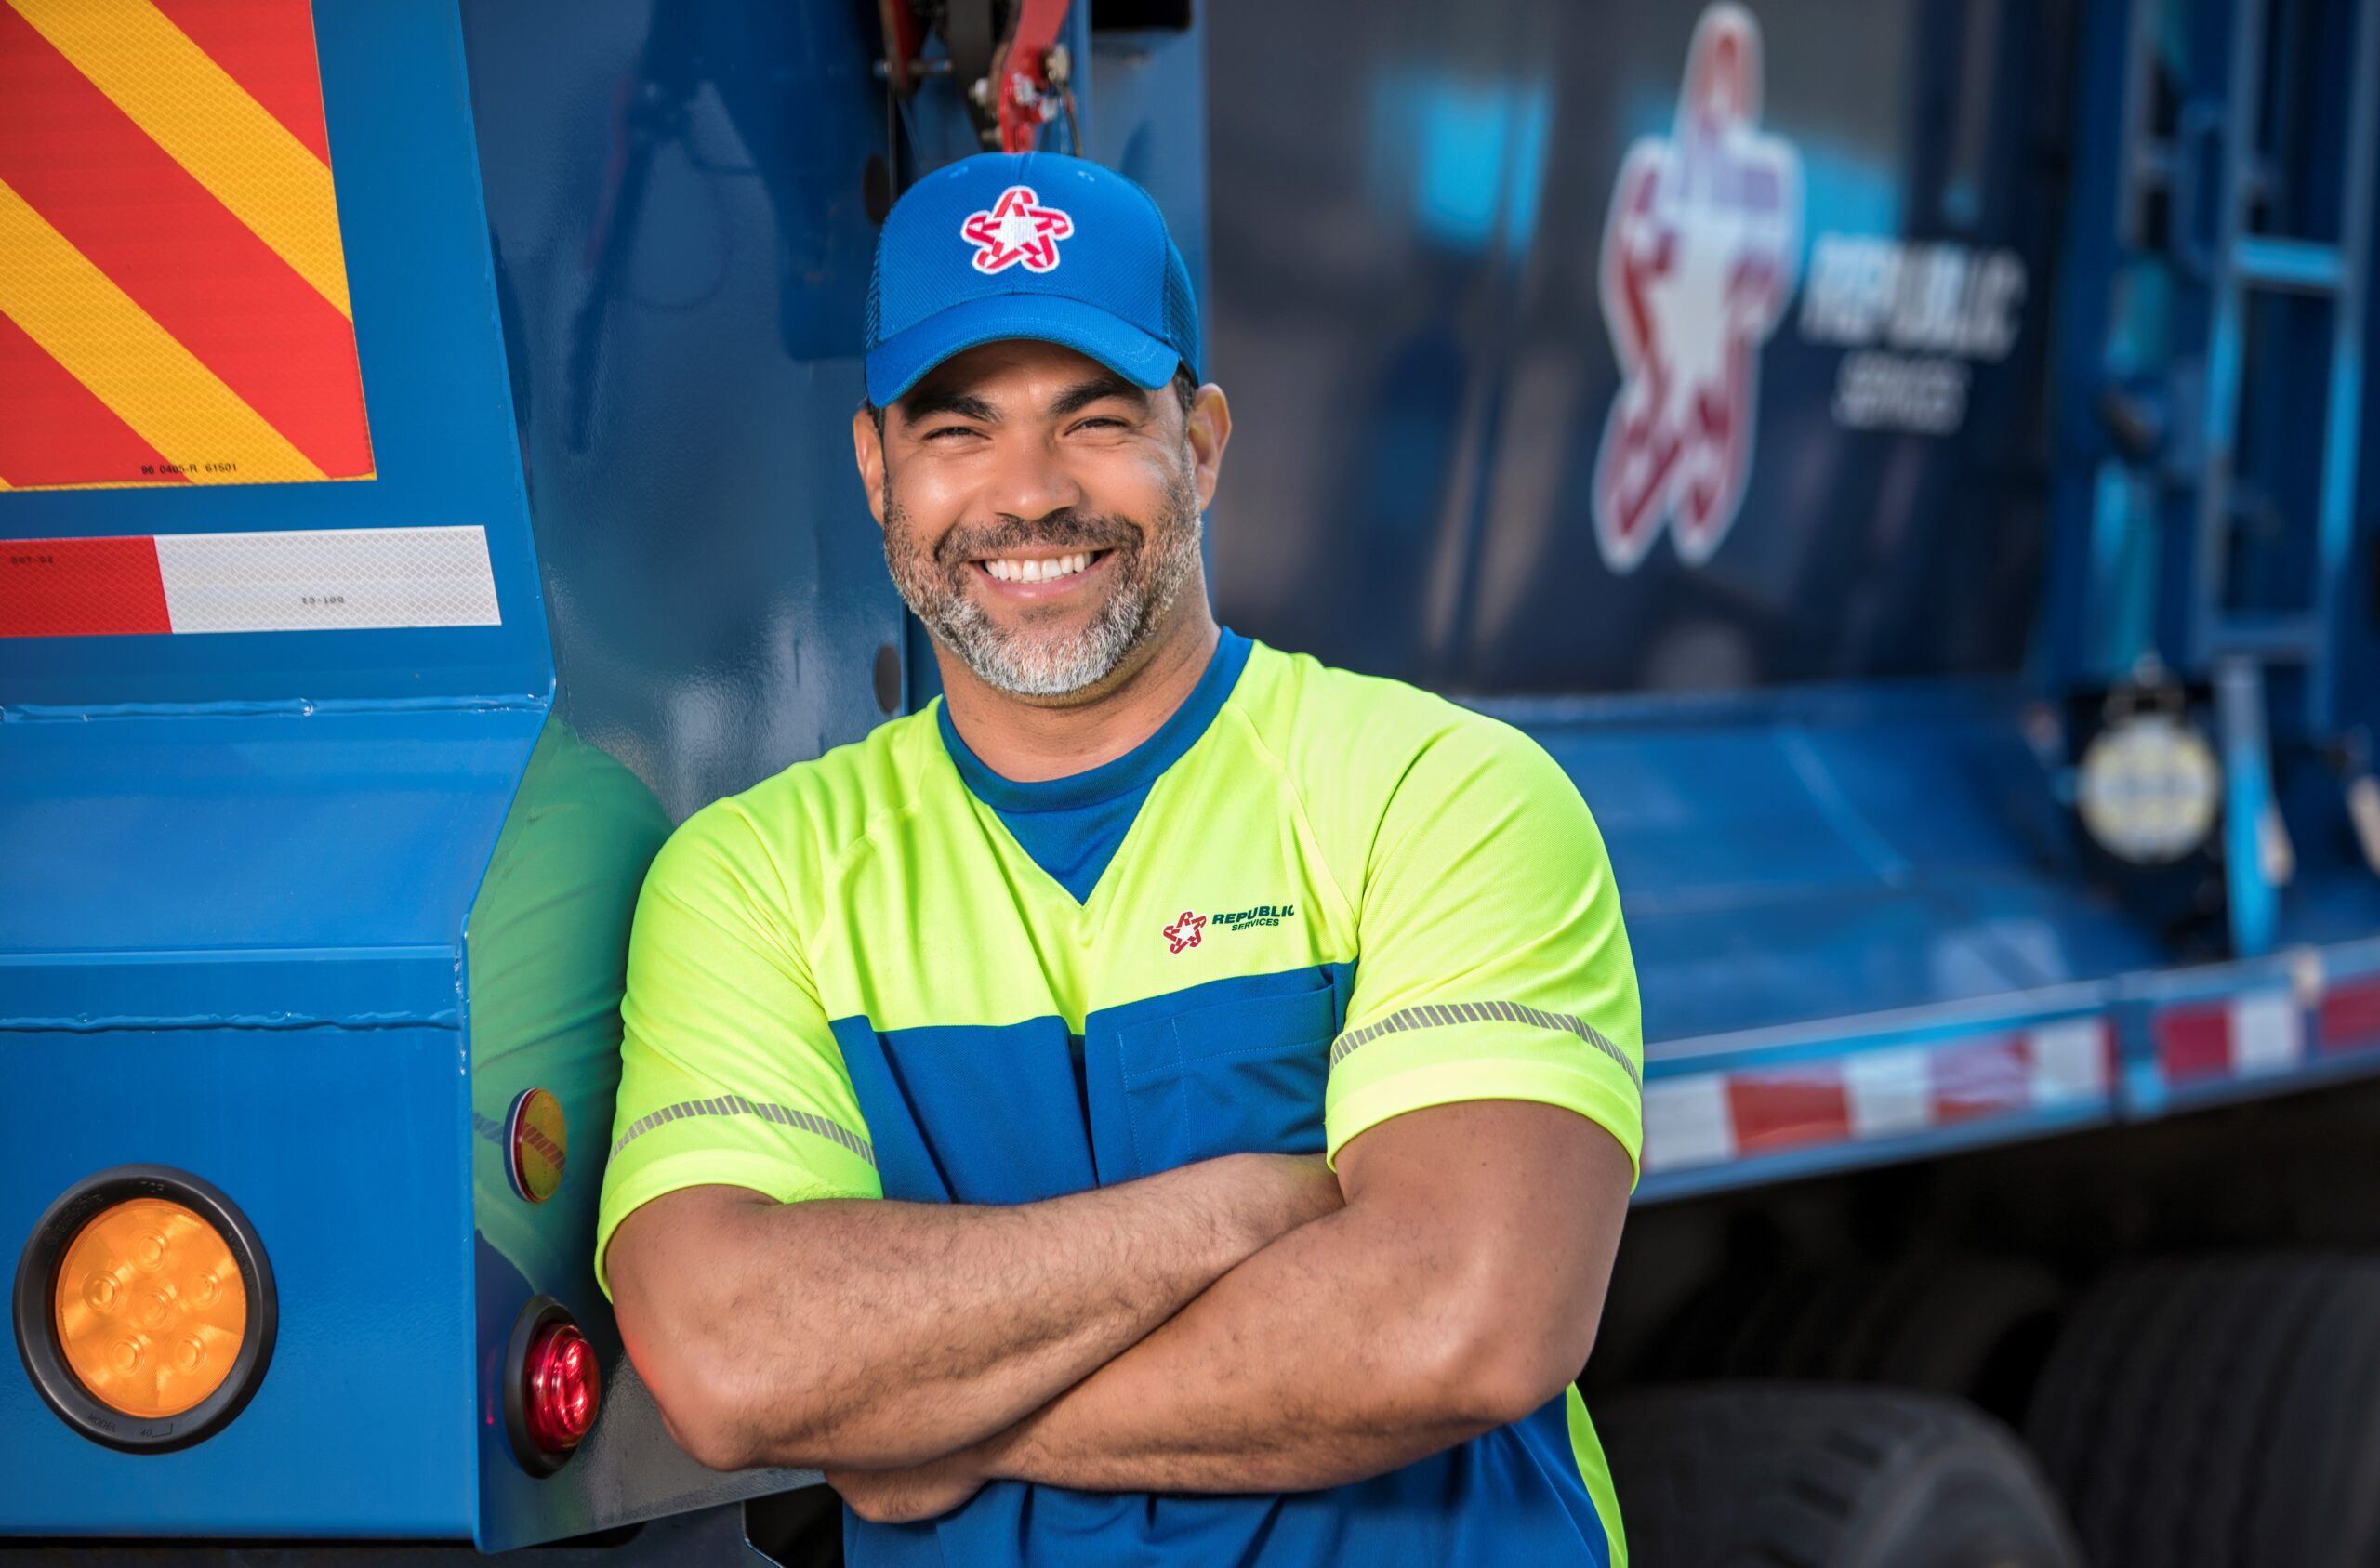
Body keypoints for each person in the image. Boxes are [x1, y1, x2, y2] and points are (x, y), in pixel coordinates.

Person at [597, 151, 1643, 1567]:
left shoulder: (1436, 794)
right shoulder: (755, 879)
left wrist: (913, 1422)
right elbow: (729, 1362)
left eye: (1093, 421)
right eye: (959, 431)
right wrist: (1240, 1209)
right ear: (875, 467)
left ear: (1201, 444)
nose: (1028, 496)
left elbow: (1463, 1323)